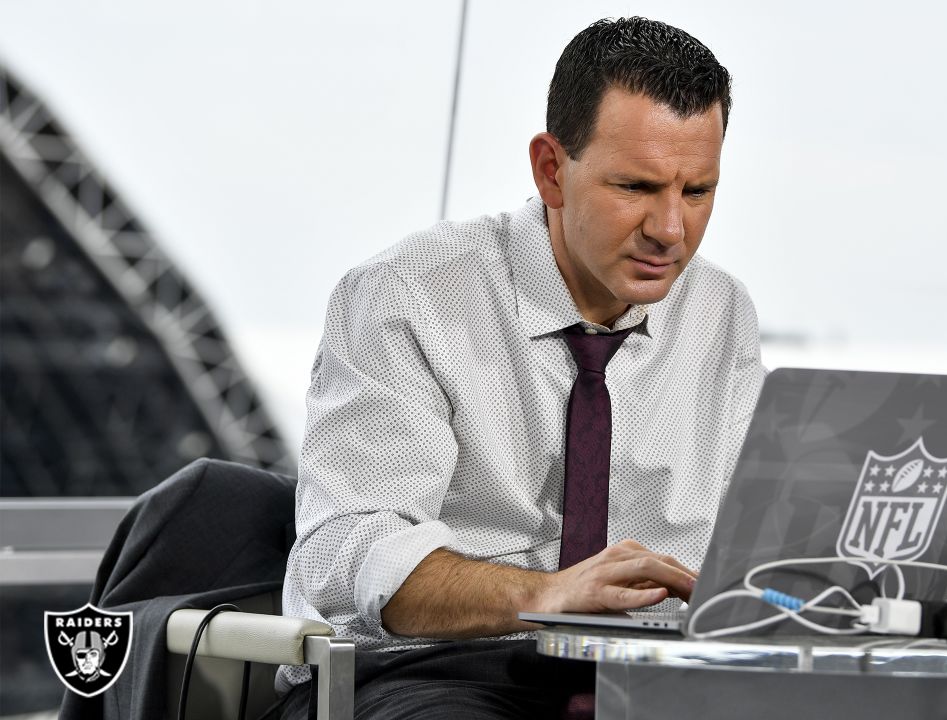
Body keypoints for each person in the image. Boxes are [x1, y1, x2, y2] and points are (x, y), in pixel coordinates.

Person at [277, 16, 767, 719]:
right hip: (440, 673)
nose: (669, 229)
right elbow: (343, 551)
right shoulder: (410, 296)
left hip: (649, 679)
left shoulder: (721, 314)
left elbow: (752, 552)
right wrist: (544, 595)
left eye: (697, 192)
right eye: (636, 186)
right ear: (551, 171)